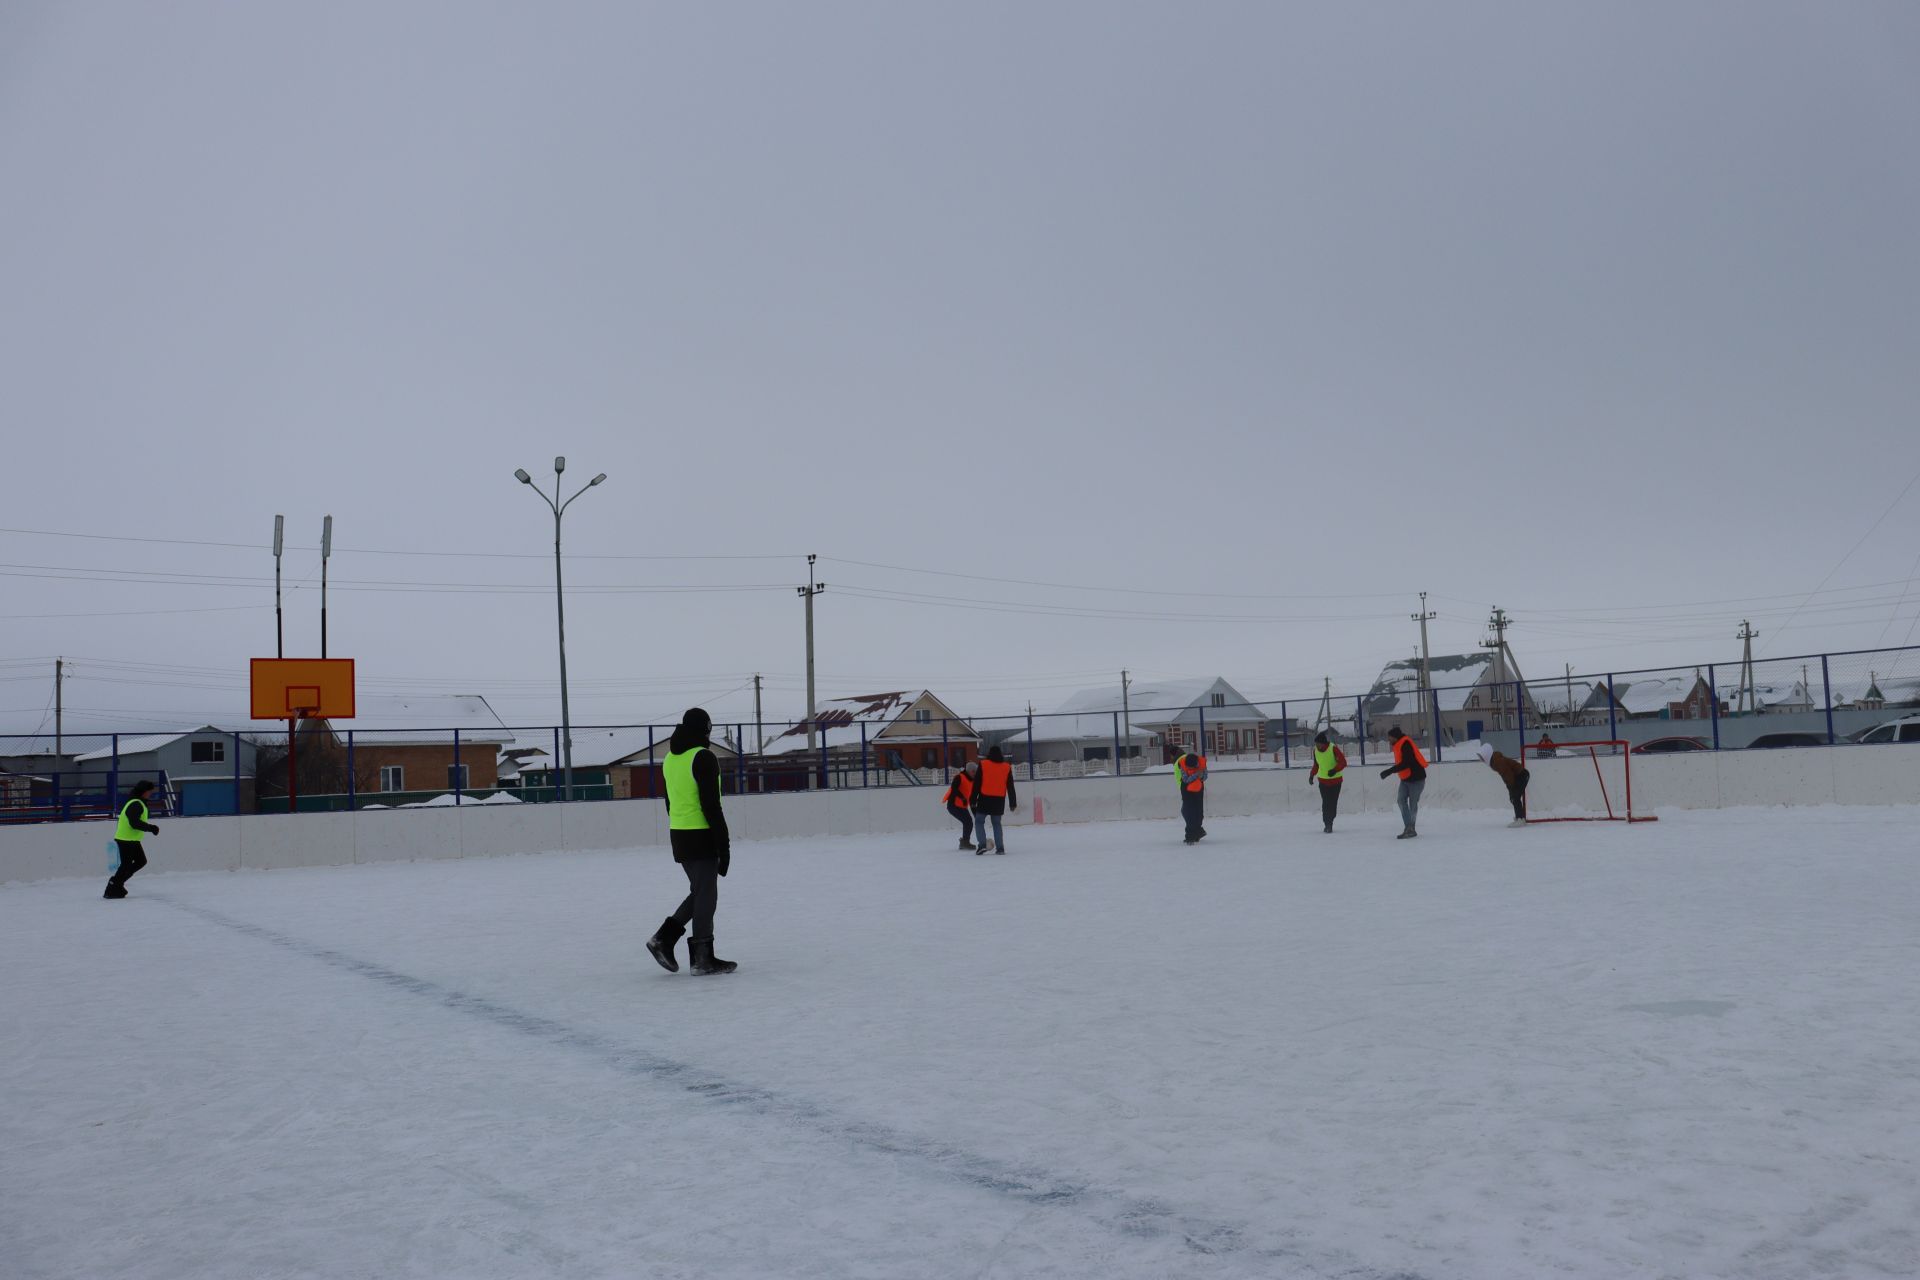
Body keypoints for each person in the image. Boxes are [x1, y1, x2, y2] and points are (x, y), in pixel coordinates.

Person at [646, 708, 736, 974]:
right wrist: (724, 845)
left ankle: (664, 940)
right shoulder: (703, 757)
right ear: (705, 729)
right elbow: (711, 805)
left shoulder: (671, 759)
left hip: (679, 832)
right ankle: (702, 958)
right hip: (701, 832)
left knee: (701, 891)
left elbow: (669, 801)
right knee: (707, 894)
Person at [103, 780, 159, 899]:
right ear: (143, 791)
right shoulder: (136, 803)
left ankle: (117, 884)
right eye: (149, 791)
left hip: (131, 839)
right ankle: (113, 887)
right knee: (126, 864)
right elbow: (134, 823)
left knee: (140, 861)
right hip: (126, 839)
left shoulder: (138, 802)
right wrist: (151, 828)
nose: (151, 793)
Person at [1377, 726, 1428, 839]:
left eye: (1390, 738)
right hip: (1405, 779)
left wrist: (1389, 771)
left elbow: (1406, 763)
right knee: (1401, 801)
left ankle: (1411, 829)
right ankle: (1408, 827)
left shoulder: (1405, 744)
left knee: (1413, 804)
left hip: (1417, 779)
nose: (1388, 740)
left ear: (1395, 737)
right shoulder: (1398, 744)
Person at [972, 745, 1017, 855]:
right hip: (999, 800)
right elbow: (1010, 786)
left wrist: (973, 799)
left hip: (984, 798)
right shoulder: (1006, 767)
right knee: (996, 823)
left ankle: (982, 845)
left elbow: (976, 784)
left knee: (979, 821)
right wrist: (1013, 802)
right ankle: (1000, 848)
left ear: (989, 754)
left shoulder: (983, 764)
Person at [1476, 741, 1531, 827]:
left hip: (1522, 775)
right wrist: (1510, 788)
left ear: (1486, 754)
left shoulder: (1497, 761)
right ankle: (1520, 818)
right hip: (1518, 776)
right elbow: (1506, 775)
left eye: (1482, 756)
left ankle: (1520, 819)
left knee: (1515, 797)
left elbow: (1507, 774)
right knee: (1513, 797)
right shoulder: (1494, 761)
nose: (1481, 759)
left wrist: (1511, 787)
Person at [1307, 732, 1347, 833]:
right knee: (1326, 803)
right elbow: (1316, 765)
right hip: (1323, 781)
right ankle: (1327, 824)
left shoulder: (1333, 748)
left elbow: (1343, 762)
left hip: (1336, 782)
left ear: (1324, 743)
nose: (1317, 746)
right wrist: (1312, 775)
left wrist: (1334, 770)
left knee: (1332, 803)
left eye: (1319, 744)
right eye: (1316, 744)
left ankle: (1331, 821)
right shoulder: (1315, 751)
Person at [942, 760, 980, 850]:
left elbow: (971, 799)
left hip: (961, 806)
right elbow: (954, 789)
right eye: (973, 771)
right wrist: (962, 797)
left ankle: (964, 842)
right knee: (968, 822)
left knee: (968, 822)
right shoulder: (959, 777)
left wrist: (976, 814)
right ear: (968, 771)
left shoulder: (972, 781)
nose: (974, 773)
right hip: (953, 805)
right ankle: (964, 842)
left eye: (976, 771)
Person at [1175, 744, 1207, 844]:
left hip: (1198, 789)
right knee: (1188, 812)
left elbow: (1205, 777)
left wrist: (1200, 776)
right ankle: (1190, 835)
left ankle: (1197, 832)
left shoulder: (1202, 763)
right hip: (1186, 789)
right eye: (1189, 768)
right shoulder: (1182, 764)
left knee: (1198, 812)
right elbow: (1185, 779)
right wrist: (1196, 774)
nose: (1190, 768)